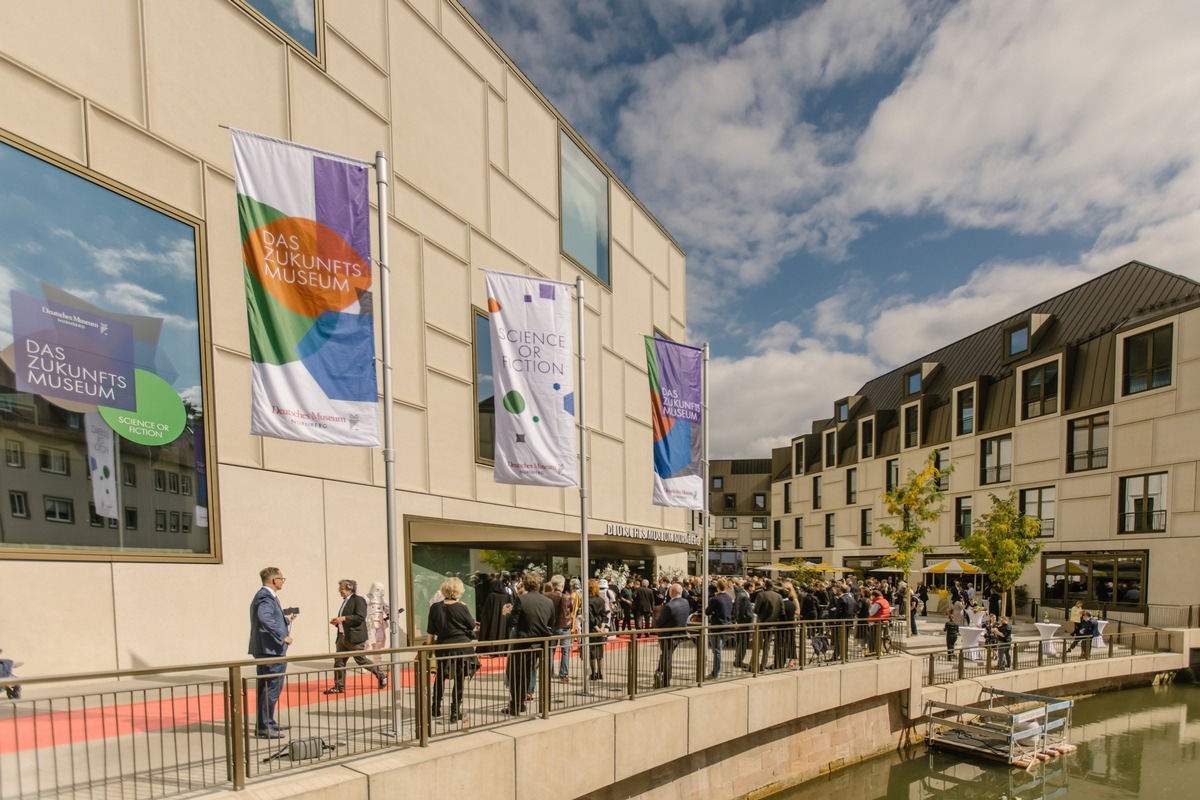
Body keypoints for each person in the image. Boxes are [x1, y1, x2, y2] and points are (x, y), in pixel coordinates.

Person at [248, 567, 294, 739]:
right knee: (271, 688)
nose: (283, 581)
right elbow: (265, 618)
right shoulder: (265, 597)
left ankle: (267, 722)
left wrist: (285, 620)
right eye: (282, 578)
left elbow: (268, 618)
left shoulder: (264, 596)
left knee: (267, 688)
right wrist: (283, 636)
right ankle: (264, 726)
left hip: (267, 650)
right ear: (275, 580)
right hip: (271, 650)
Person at [426, 576, 477, 724]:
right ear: (459, 590)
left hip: (443, 646)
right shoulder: (462, 607)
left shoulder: (435, 607)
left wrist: (428, 647)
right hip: (462, 647)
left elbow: (431, 631)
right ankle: (455, 711)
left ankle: (435, 707)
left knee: (440, 677)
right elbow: (472, 625)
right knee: (460, 679)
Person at [502, 573, 554, 715]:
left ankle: (516, 705)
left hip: (524, 643)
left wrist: (506, 613)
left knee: (513, 673)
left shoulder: (522, 599)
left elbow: (512, 622)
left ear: (525, 584)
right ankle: (520, 704)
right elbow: (551, 624)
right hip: (541, 644)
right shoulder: (548, 602)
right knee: (525, 674)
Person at [325, 579, 388, 694]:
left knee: (361, 660)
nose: (340, 591)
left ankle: (381, 675)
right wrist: (338, 622)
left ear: (349, 588)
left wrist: (343, 618)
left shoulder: (358, 600)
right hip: (342, 636)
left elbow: (360, 617)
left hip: (354, 637)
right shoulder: (345, 601)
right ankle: (339, 686)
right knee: (339, 662)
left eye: (342, 588)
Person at [655, 582, 691, 687]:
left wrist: (657, 623)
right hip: (679, 634)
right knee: (666, 655)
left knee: (667, 657)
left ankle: (666, 680)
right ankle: (659, 671)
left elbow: (659, 622)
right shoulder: (685, 602)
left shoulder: (669, 606)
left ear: (671, 592)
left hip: (668, 635)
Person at [753, 580, 784, 670]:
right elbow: (782, 611)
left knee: (757, 646)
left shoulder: (761, 595)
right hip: (772, 624)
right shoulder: (779, 596)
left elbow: (756, 610)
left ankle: (754, 664)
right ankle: (763, 664)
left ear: (765, 586)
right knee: (767, 646)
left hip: (761, 624)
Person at [705, 578, 733, 678]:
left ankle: (716, 672)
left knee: (717, 651)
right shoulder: (729, 598)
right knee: (718, 650)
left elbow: (707, 611)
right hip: (727, 626)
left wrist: (713, 612)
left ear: (717, 587)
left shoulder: (715, 599)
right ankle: (716, 671)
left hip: (717, 627)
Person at [586, 579, 608, 681]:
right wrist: (602, 627)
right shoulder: (601, 600)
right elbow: (605, 614)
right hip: (600, 626)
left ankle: (593, 673)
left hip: (592, 628)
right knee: (599, 651)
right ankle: (600, 673)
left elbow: (590, 617)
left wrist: (597, 628)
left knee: (592, 652)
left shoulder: (588, 601)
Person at [733, 580, 754, 669]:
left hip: (741, 622)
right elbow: (742, 611)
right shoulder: (744, 596)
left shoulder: (740, 594)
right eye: (753, 587)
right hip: (745, 624)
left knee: (741, 642)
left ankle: (738, 659)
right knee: (743, 643)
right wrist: (748, 618)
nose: (754, 589)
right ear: (749, 587)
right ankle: (739, 661)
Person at [365, 581, 391, 655]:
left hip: (380, 623)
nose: (379, 591)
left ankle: (377, 660)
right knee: (369, 643)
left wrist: (391, 613)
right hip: (370, 623)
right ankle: (366, 661)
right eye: (377, 589)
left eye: (381, 590)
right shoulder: (366, 598)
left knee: (379, 642)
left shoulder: (382, 599)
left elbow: (387, 608)